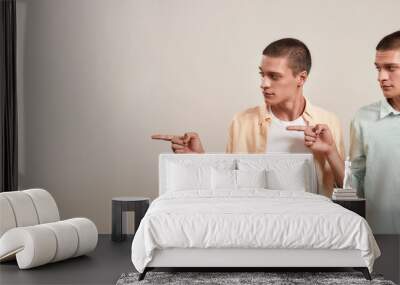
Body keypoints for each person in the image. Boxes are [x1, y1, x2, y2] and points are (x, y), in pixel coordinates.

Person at [152, 38, 344, 197]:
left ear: (301, 78)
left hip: (312, 226)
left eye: (274, 76)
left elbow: (348, 190)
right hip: (254, 223)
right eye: (262, 74)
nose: (264, 84)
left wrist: (330, 151)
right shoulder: (242, 122)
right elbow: (228, 185)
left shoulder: (327, 122)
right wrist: (199, 159)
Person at [350, 30, 400, 234]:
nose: (381, 77)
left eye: (391, 68)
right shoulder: (363, 119)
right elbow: (354, 179)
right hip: (378, 237)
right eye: (378, 69)